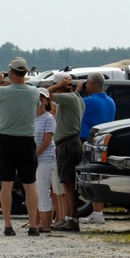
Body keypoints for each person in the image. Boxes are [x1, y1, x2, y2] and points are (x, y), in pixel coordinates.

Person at [0, 57, 40, 236]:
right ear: (26, 72)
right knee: (30, 184)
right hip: (26, 140)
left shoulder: (3, 92)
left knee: (6, 183)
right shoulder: (33, 92)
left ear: (11, 72)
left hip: (7, 139)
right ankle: (33, 225)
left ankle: (8, 224)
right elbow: (36, 109)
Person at [47, 72, 85, 231]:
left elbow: (45, 94)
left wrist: (58, 86)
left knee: (69, 184)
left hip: (68, 144)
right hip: (72, 142)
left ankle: (71, 219)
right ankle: (70, 217)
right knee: (69, 184)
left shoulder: (68, 98)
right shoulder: (78, 98)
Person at [79, 72, 115, 226]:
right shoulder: (110, 101)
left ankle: (97, 211)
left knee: (88, 176)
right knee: (97, 175)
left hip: (88, 140)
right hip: (104, 141)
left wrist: (77, 91)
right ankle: (97, 211)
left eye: (86, 82)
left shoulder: (88, 102)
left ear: (92, 84)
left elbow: (74, 108)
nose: (85, 85)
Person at [33, 88, 56, 233]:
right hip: (35, 159)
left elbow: (47, 140)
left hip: (45, 158)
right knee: (37, 190)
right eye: (38, 97)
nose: (40, 99)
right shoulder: (33, 117)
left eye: (43, 97)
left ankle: (46, 223)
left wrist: (34, 154)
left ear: (47, 100)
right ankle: (40, 221)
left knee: (43, 190)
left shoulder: (49, 118)